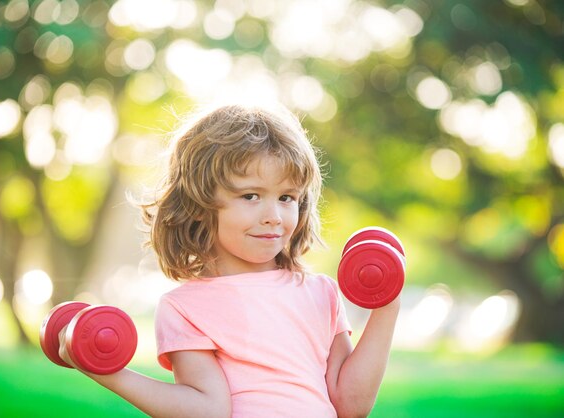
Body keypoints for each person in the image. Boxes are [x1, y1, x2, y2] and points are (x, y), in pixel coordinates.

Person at [59, 103, 400, 418]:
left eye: (286, 197)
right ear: (199, 204)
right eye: (250, 196)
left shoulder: (319, 293)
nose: (274, 216)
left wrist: (387, 305)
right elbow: (209, 410)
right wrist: (106, 370)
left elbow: (350, 404)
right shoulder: (185, 308)